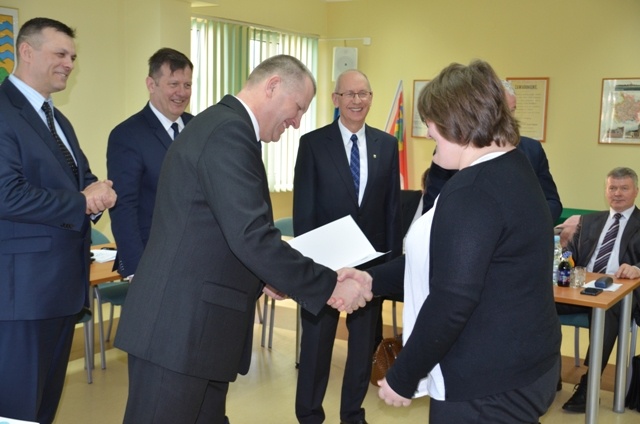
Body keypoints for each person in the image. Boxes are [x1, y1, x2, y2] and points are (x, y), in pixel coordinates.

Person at [113, 55, 373, 424]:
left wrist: (265, 276)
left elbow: (217, 231)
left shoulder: (224, 127)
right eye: (298, 107)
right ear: (272, 87)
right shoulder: (228, 133)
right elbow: (252, 236)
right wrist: (328, 284)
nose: (297, 122)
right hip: (177, 334)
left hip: (197, 334)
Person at [336, 60, 561, 423]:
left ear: (459, 122)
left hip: (486, 385)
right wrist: (371, 279)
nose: (427, 133)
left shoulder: (473, 190)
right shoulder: (513, 167)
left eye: (432, 123)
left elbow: (453, 298)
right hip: (527, 366)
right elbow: (448, 260)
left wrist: (404, 375)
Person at [0, 17, 117, 423]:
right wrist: (81, 201)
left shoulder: (57, 118)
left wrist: (97, 196)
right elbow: (6, 194)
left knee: (43, 409)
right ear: (27, 52)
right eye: (61, 54)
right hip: (22, 295)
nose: (69, 64)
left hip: (62, 291)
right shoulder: (4, 111)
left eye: (73, 57)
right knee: (16, 411)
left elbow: (80, 182)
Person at [293, 69, 402, 424]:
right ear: (335, 99)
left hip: (369, 269)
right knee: (316, 347)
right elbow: (304, 213)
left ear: (371, 98)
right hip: (324, 269)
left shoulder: (387, 146)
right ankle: (310, 415)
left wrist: (389, 269)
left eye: (363, 94)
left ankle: (353, 415)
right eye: (349, 94)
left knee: (361, 350)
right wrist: (310, 269)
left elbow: (391, 211)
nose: (357, 101)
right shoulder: (313, 144)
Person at [556, 166, 640, 413]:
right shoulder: (589, 220)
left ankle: (589, 384)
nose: (617, 193)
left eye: (624, 188)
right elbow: (570, 255)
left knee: (608, 309)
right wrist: (564, 257)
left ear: (636, 191)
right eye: (612, 187)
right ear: (605, 190)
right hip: (580, 288)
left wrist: (637, 268)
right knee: (537, 304)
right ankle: (548, 373)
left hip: (619, 293)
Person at [420, 80, 563, 222]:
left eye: (512, 111)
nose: (508, 119)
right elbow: (431, 208)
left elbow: (552, 202)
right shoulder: (452, 151)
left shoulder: (531, 150)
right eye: (502, 112)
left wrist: (523, 225)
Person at [108, 47, 193, 278]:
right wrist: (136, 270)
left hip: (198, 260)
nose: (181, 92)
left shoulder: (199, 127)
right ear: (151, 84)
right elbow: (123, 207)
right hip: (152, 261)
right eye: (173, 84)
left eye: (187, 85)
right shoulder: (127, 135)